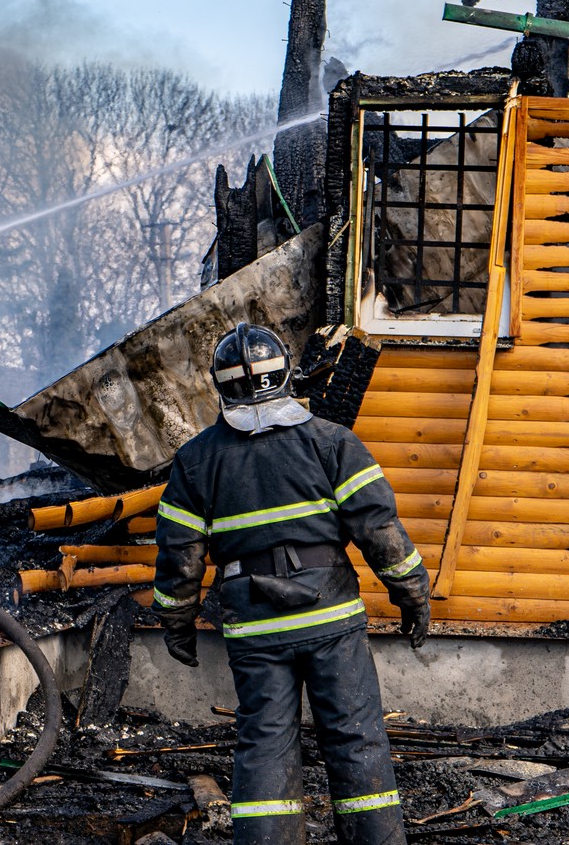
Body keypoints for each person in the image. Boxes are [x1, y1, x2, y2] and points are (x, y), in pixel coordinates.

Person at [153, 322, 430, 845]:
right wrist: (412, 593)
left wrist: (176, 623)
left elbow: (180, 555)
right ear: (284, 374)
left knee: (265, 743)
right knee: (355, 738)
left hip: (255, 627)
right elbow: (378, 529)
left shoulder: (196, 460)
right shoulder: (331, 442)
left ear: (222, 384)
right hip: (331, 620)